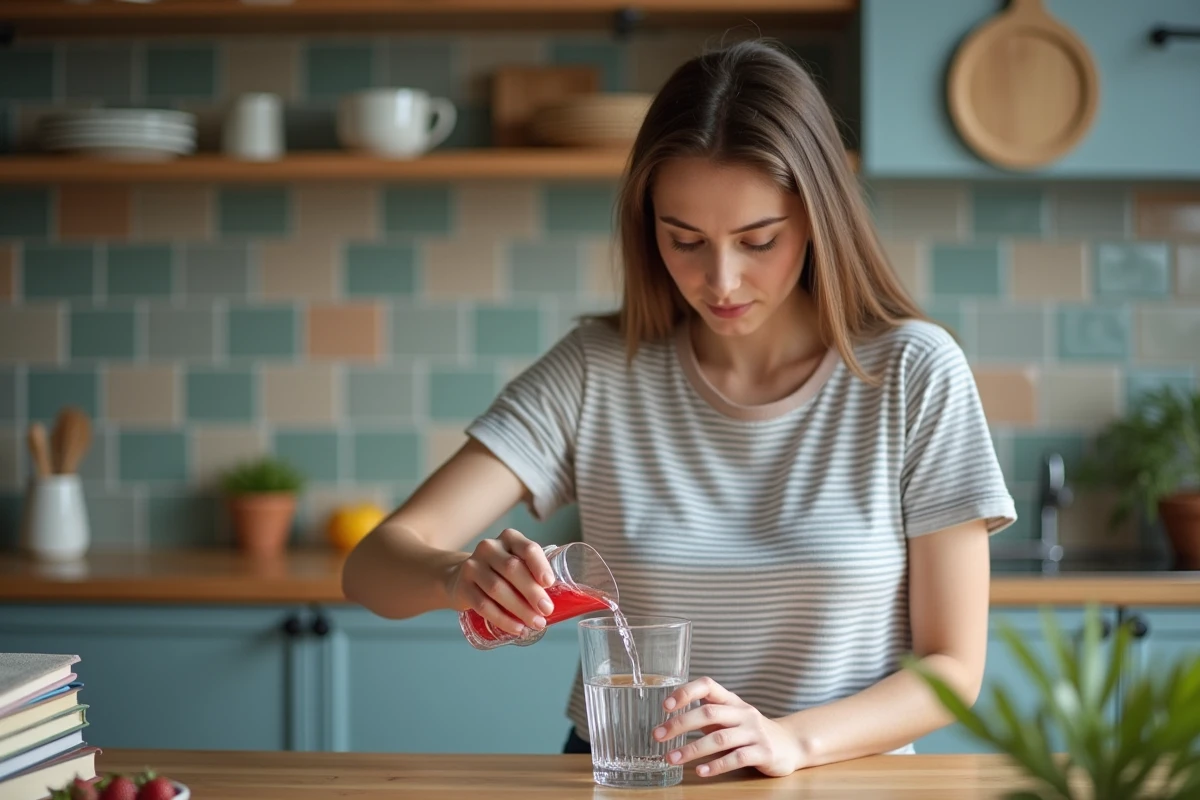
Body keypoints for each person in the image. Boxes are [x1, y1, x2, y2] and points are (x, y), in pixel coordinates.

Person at [342, 39, 1016, 779]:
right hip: (631, 779)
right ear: (647, 227)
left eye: (758, 240)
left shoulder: (914, 373)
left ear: (818, 220)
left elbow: (953, 668)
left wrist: (789, 740)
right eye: (685, 240)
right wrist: (455, 578)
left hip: (841, 778)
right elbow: (372, 565)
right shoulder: (599, 368)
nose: (721, 280)